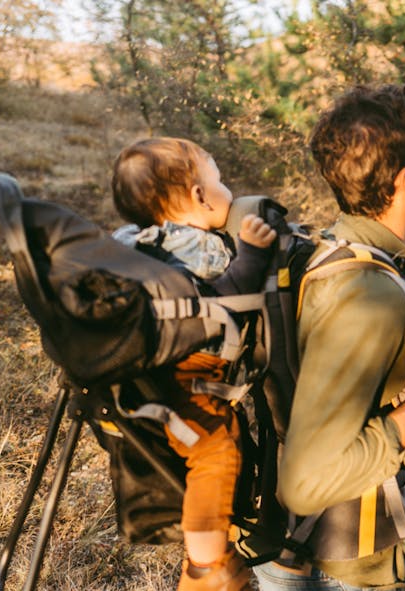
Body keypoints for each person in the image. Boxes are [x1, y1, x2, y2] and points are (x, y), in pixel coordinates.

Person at [252, 84, 405, 590]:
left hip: (307, 551)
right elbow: (306, 483)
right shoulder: (368, 293)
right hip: (334, 564)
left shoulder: (334, 248)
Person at [111, 136, 278, 591]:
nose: (226, 189)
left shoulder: (126, 243)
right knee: (216, 449)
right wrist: (254, 254)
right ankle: (205, 567)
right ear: (199, 197)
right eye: (218, 180)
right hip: (186, 379)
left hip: (138, 377)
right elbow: (230, 299)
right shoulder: (200, 249)